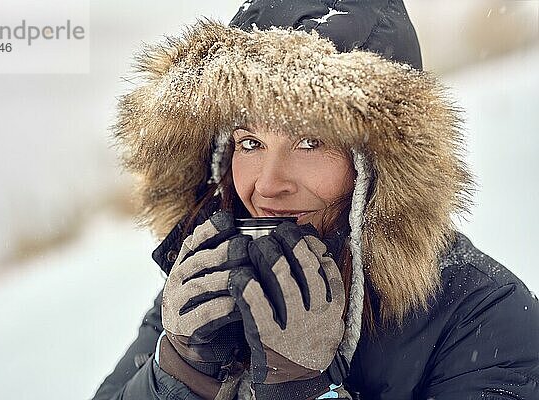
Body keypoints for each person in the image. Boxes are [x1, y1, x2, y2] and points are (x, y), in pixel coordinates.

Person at [92, 1, 539, 399]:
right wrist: (177, 378)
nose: (268, 185)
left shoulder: (485, 316)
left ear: (379, 161)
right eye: (250, 143)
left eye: (310, 142)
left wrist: (305, 392)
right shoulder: (207, 283)